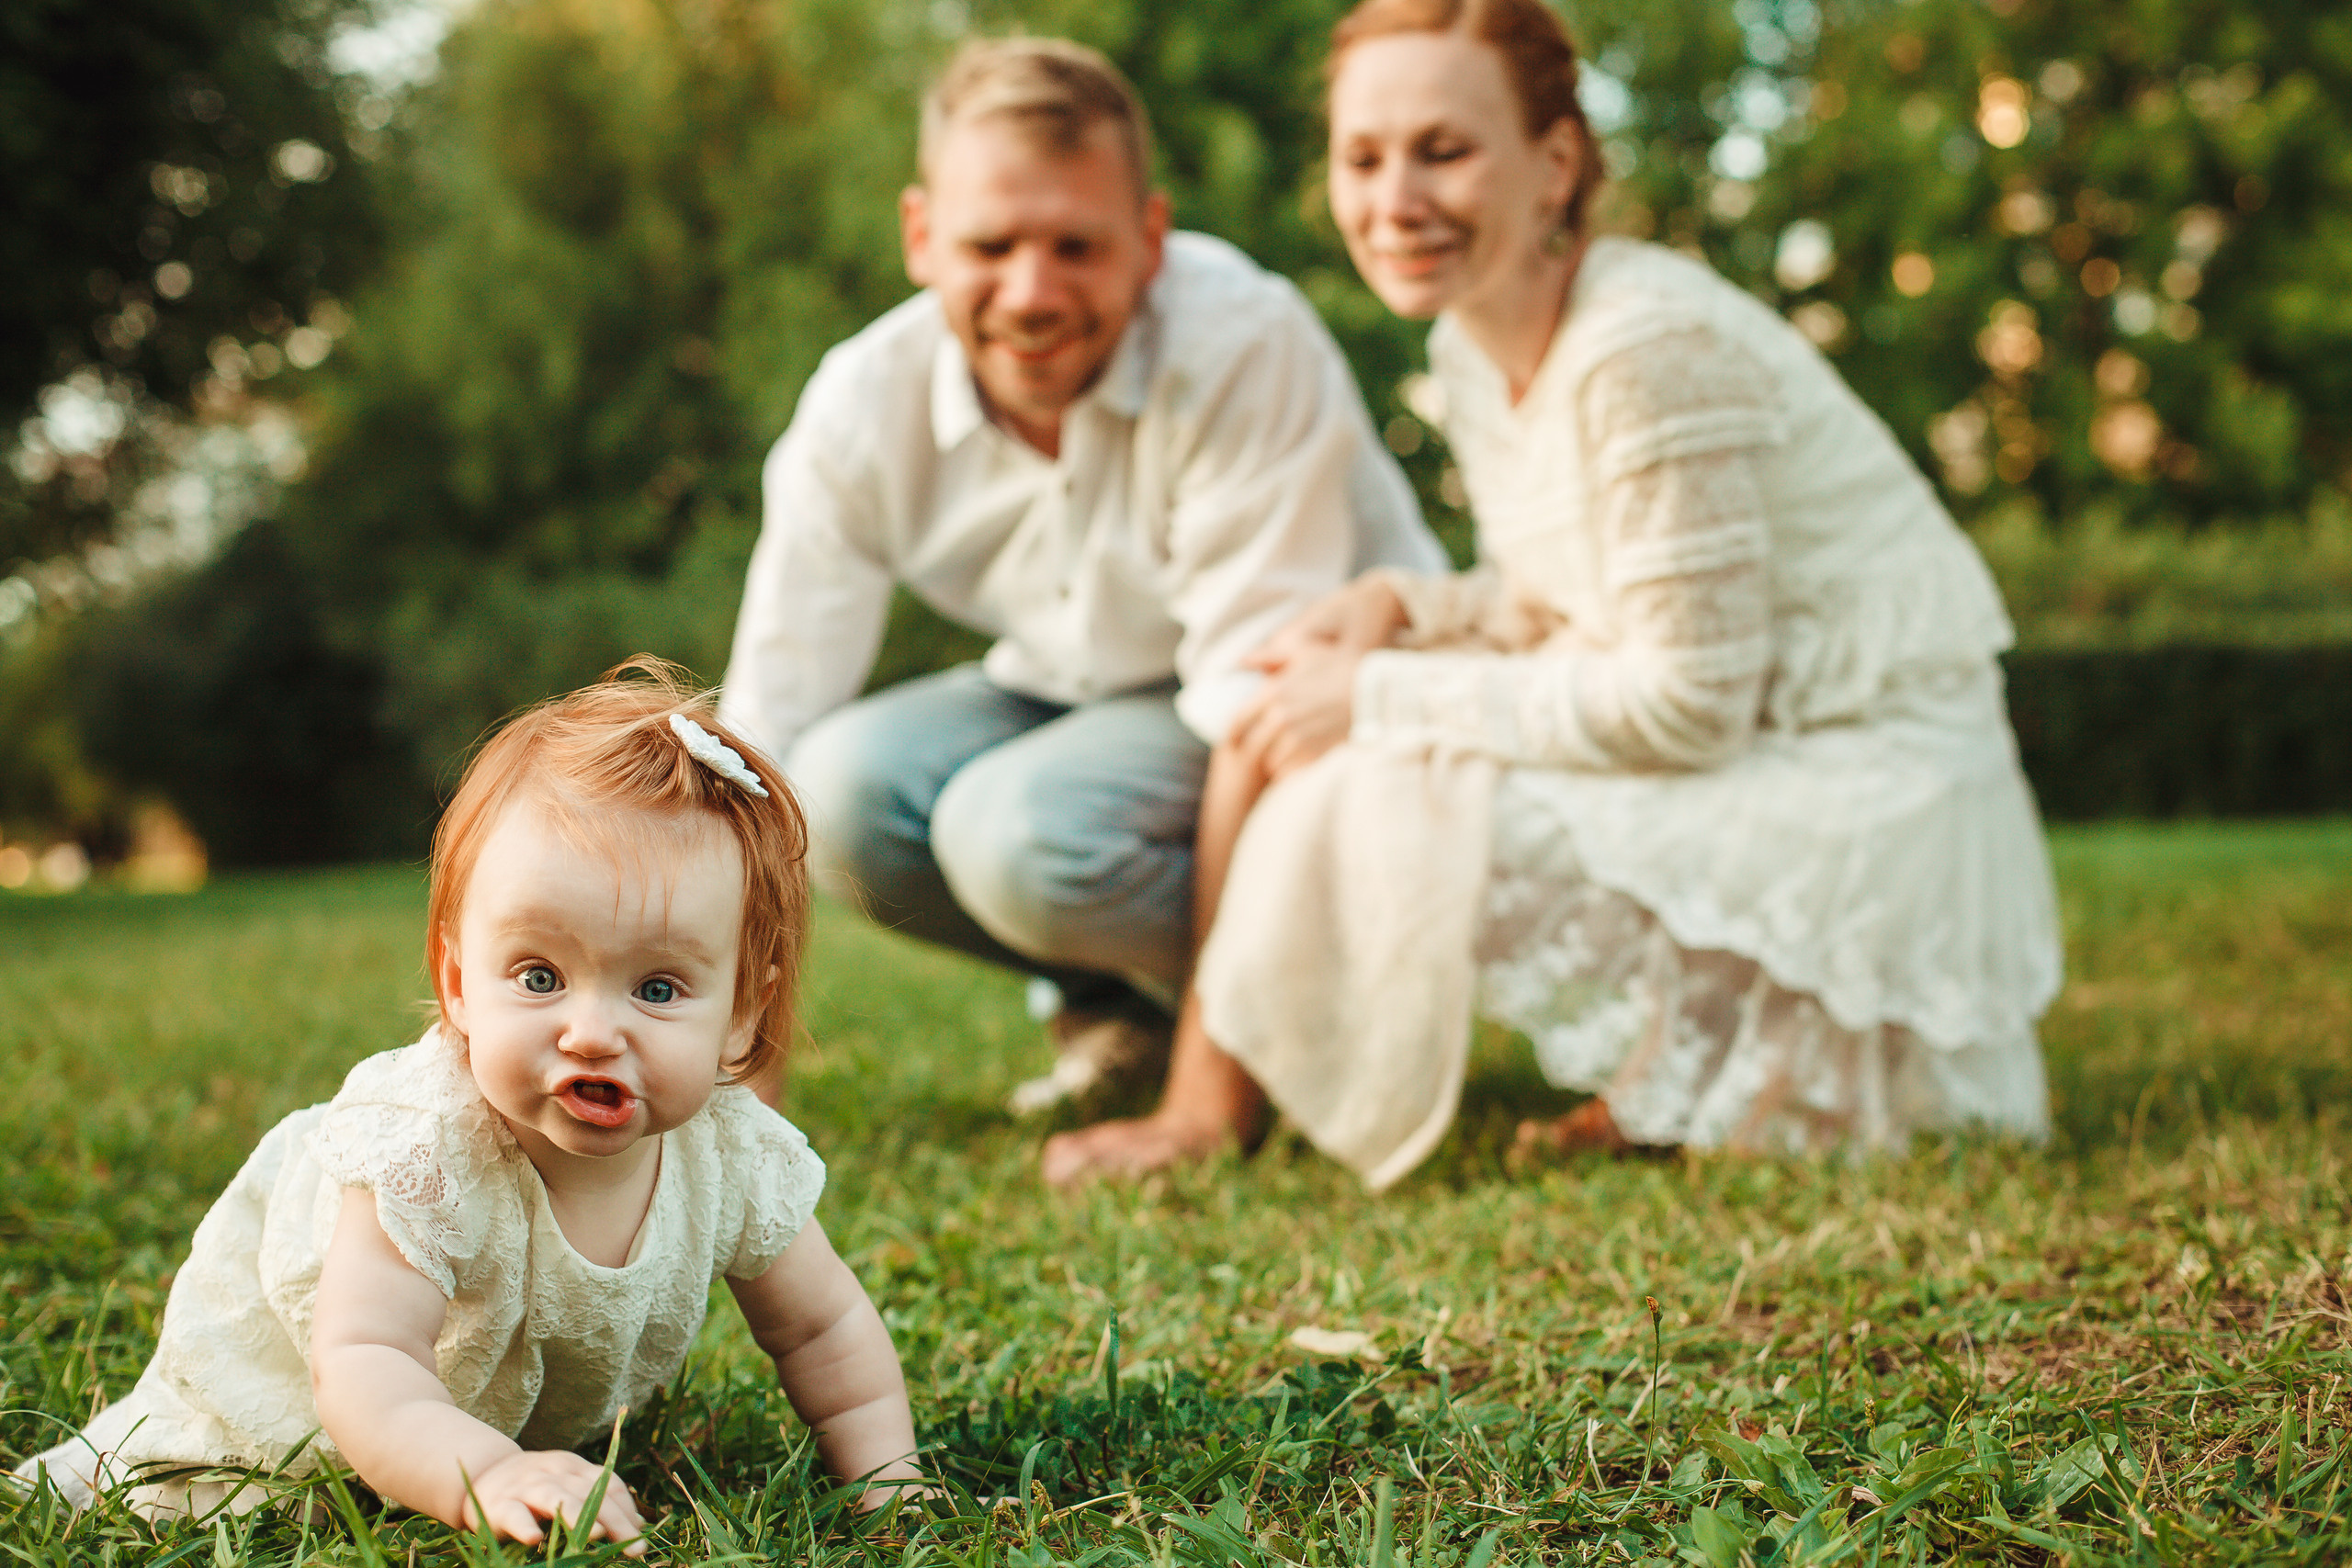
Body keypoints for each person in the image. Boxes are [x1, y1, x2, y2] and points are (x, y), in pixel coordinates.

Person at [1043, 0, 2063, 1189]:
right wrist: (1403, 607)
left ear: (1557, 162)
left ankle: (1218, 1104)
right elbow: (1576, 592)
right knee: (1313, 722)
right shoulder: (1474, 345)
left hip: (1867, 784)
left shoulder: (1642, 348)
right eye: (1362, 158)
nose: (1395, 201)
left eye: (1444, 150)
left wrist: (1380, 694)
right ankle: (1219, 1097)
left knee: (1358, 782)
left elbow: (1689, 701)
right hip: (1760, 739)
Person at [12, 661, 923, 1551]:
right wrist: (486, 1474)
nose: (592, 1031)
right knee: (178, 1491)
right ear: (457, 984)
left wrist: (891, 1483)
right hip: (285, 1421)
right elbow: (365, 1362)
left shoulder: (731, 1154)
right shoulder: (425, 1146)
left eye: (656, 988)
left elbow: (824, 1328)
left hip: (487, 1423)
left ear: (740, 1014)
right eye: (539, 976)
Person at [718, 37, 1444, 1112]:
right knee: (834, 788)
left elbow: (1260, 716)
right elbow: (760, 749)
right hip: (1075, 689)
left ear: (1150, 239)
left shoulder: (1242, 343)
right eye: (992, 243)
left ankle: (1298, 1013)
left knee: (1022, 830)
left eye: (1075, 245)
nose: (1031, 291)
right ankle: (1119, 1011)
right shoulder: (862, 405)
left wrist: (1208, 1111)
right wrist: (741, 1116)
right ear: (921, 237)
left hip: (1331, 720)